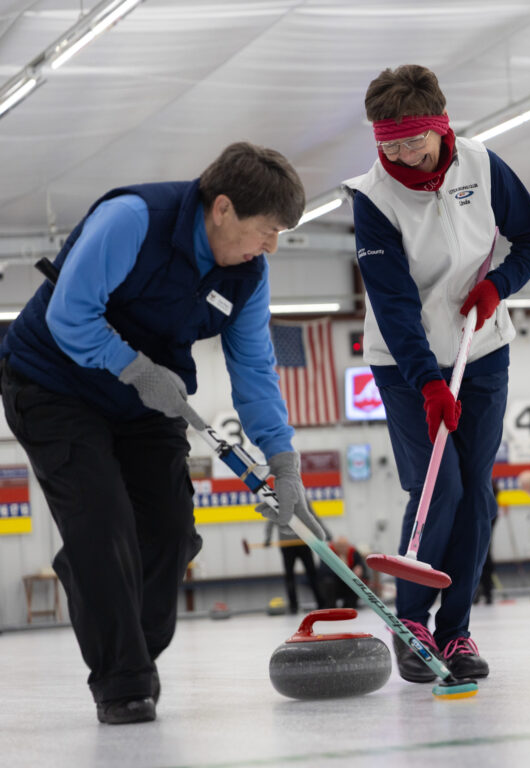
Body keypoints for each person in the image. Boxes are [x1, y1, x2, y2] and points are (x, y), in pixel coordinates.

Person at [0, 142, 315, 725]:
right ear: (222, 208)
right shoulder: (133, 222)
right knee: (104, 524)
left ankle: (110, 610)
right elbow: (70, 316)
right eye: (267, 230)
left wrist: (282, 457)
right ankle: (123, 683)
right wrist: (135, 368)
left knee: (169, 533)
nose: (271, 246)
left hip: (145, 402)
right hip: (53, 384)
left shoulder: (248, 275)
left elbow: (252, 368)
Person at [343, 65, 530, 683]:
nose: (401, 155)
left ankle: (455, 632)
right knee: (440, 488)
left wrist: (498, 285)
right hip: (404, 362)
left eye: (412, 141)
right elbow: (394, 304)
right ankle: (409, 622)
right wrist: (427, 382)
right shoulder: (374, 198)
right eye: (388, 143)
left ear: (441, 128)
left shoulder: (484, 168)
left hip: (481, 347)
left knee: (477, 492)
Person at [265, 517, 327, 614]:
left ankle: (321, 602)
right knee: (290, 576)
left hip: (303, 542)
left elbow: (312, 517)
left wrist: (322, 533)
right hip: (287, 545)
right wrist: (267, 538)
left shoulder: (301, 501)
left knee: (311, 574)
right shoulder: (278, 503)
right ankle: (294, 606)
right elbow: (270, 521)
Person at [320, 535, 369, 610]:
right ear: (335, 546)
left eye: (345, 546)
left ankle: (350, 605)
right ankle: (331, 606)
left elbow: (362, 565)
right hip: (335, 583)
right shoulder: (328, 553)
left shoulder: (353, 552)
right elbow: (323, 571)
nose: (343, 549)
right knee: (328, 582)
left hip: (349, 583)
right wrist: (338, 570)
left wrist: (359, 568)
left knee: (360, 580)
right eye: (340, 546)